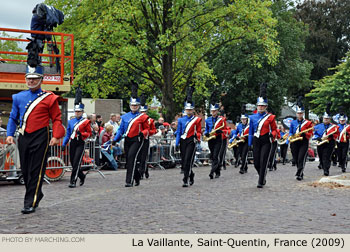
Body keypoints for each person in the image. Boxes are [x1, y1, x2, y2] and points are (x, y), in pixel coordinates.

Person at [6, 65, 65, 214]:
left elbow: (57, 119)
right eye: (29, 78)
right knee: (25, 170)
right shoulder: (18, 97)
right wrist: (9, 134)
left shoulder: (49, 97)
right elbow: (13, 118)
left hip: (41, 136)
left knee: (36, 169)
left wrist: (57, 136)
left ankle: (29, 202)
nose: (31, 81)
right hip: (24, 136)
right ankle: (37, 193)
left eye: (34, 79)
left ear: (41, 79)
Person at [113, 83, 150, 187]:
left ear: (138, 106)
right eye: (132, 105)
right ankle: (137, 175)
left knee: (131, 157)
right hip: (127, 140)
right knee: (129, 159)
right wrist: (115, 139)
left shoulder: (142, 117)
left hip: (137, 139)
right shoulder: (124, 117)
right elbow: (121, 130)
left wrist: (143, 133)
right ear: (130, 106)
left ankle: (129, 181)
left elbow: (147, 128)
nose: (134, 107)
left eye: (136, 105)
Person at [248, 83, 277, 188]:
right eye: (259, 105)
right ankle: (262, 175)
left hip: (266, 140)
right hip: (256, 139)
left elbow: (275, 129)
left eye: (262, 106)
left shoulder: (271, 117)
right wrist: (249, 143)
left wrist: (272, 135)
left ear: (266, 107)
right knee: (256, 163)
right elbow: (250, 131)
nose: (260, 107)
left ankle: (260, 181)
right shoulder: (252, 117)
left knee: (263, 160)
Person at [62, 99, 92, 188]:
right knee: (73, 163)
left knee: (76, 162)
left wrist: (82, 134)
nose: (77, 113)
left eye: (79, 111)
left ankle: (73, 181)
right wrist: (64, 144)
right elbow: (68, 134)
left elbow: (89, 133)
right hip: (73, 142)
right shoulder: (71, 121)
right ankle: (82, 176)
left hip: (81, 142)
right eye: (76, 111)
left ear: (82, 112)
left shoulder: (86, 122)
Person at [175, 87, 202, 187]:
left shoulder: (197, 120)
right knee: (183, 161)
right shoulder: (181, 120)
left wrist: (197, 137)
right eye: (187, 109)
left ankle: (185, 179)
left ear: (193, 110)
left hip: (192, 140)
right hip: (183, 140)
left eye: (190, 109)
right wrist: (177, 143)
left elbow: (199, 131)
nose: (189, 111)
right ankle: (191, 174)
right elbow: (178, 132)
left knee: (188, 160)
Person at [289, 99, 313, 180]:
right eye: (298, 113)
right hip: (294, 142)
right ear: (296, 114)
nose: (299, 115)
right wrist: (290, 137)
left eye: (301, 113)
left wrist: (305, 134)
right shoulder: (293, 123)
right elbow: (290, 132)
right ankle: (300, 170)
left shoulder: (308, 123)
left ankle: (300, 173)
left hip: (303, 141)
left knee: (301, 158)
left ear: (303, 114)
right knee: (295, 158)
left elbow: (310, 133)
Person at [312, 104, 339, 176]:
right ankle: (323, 166)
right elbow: (314, 134)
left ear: (329, 119)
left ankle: (326, 170)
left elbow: (337, 133)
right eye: (325, 118)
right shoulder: (318, 126)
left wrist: (332, 135)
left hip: (330, 142)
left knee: (326, 156)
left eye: (327, 119)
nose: (326, 120)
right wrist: (317, 137)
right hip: (320, 142)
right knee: (321, 156)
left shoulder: (333, 126)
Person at [204, 101, 227, 179]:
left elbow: (226, 130)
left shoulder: (221, 120)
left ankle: (212, 171)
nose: (213, 112)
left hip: (218, 138)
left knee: (216, 155)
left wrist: (221, 131)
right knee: (213, 155)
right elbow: (206, 129)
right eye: (212, 111)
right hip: (211, 139)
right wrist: (206, 133)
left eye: (214, 111)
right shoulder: (208, 120)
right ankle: (217, 171)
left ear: (217, 111)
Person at [138, 95, 157, 179]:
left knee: (144, 156)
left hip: (145, 139)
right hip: (136, 139)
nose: (142, 113)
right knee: (138, 156)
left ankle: (142, 172)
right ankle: (141, 170)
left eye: (144, 112)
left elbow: (154, 130)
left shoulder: (150, 120)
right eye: (141, 111)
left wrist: (148, 133)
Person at [235, 108, 250, 174]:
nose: (243, 121)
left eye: (245, 119)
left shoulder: (249, 126)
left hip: (246, 141)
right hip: (240, 141)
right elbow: (236, 133)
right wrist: (236, 137)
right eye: (242, 119)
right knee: (241, 155)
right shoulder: (239, 126)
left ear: (247, 119)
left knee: (244, 155)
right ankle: (245, 167)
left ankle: (242, 168)